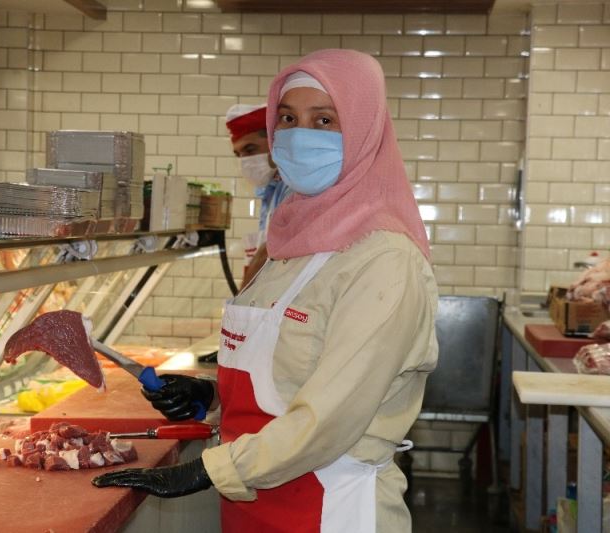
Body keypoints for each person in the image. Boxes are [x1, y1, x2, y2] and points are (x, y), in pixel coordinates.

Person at [93, 49, 439, 533]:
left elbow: (333, 417)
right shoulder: (289, 240)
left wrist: (205, 470)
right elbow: (288, 373)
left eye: (324, 120)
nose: (300, 136)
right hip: (254, 501)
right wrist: (212, 395)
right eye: (288, 119)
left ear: (364, 130)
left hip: (331, 505)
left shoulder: (384, 260)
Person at [225, 103, 291, 288]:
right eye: (238, 154)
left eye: (250, 149)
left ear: (273, 142)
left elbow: (270, 249)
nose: (244, 161)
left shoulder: (293, 187)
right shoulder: (272, 188)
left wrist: (242, 297)